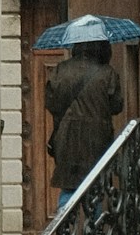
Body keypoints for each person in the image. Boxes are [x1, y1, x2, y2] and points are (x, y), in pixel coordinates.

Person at [45, 38, 124, 208]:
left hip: (67, 138)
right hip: (98, 139)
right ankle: (95, 232)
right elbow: (117, 106)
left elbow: (51, 103)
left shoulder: (60, 70)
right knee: (95, 187)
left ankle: (64, 228)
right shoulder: (107, 73)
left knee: (68, 187)